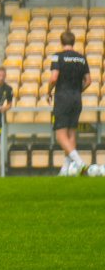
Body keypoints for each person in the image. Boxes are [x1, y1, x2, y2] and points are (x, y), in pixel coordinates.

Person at [45, 30, 93, 174]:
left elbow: (54, 78)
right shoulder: (81, 58)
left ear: (61, 42)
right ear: (73, 42)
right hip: (77, 98)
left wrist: (48, 91)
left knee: (60, 135)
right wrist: (79, 90)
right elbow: (88, 80)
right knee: (71, 133)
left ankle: (80, 163)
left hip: (62, 97)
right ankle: (65, 169)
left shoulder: (57, 57)